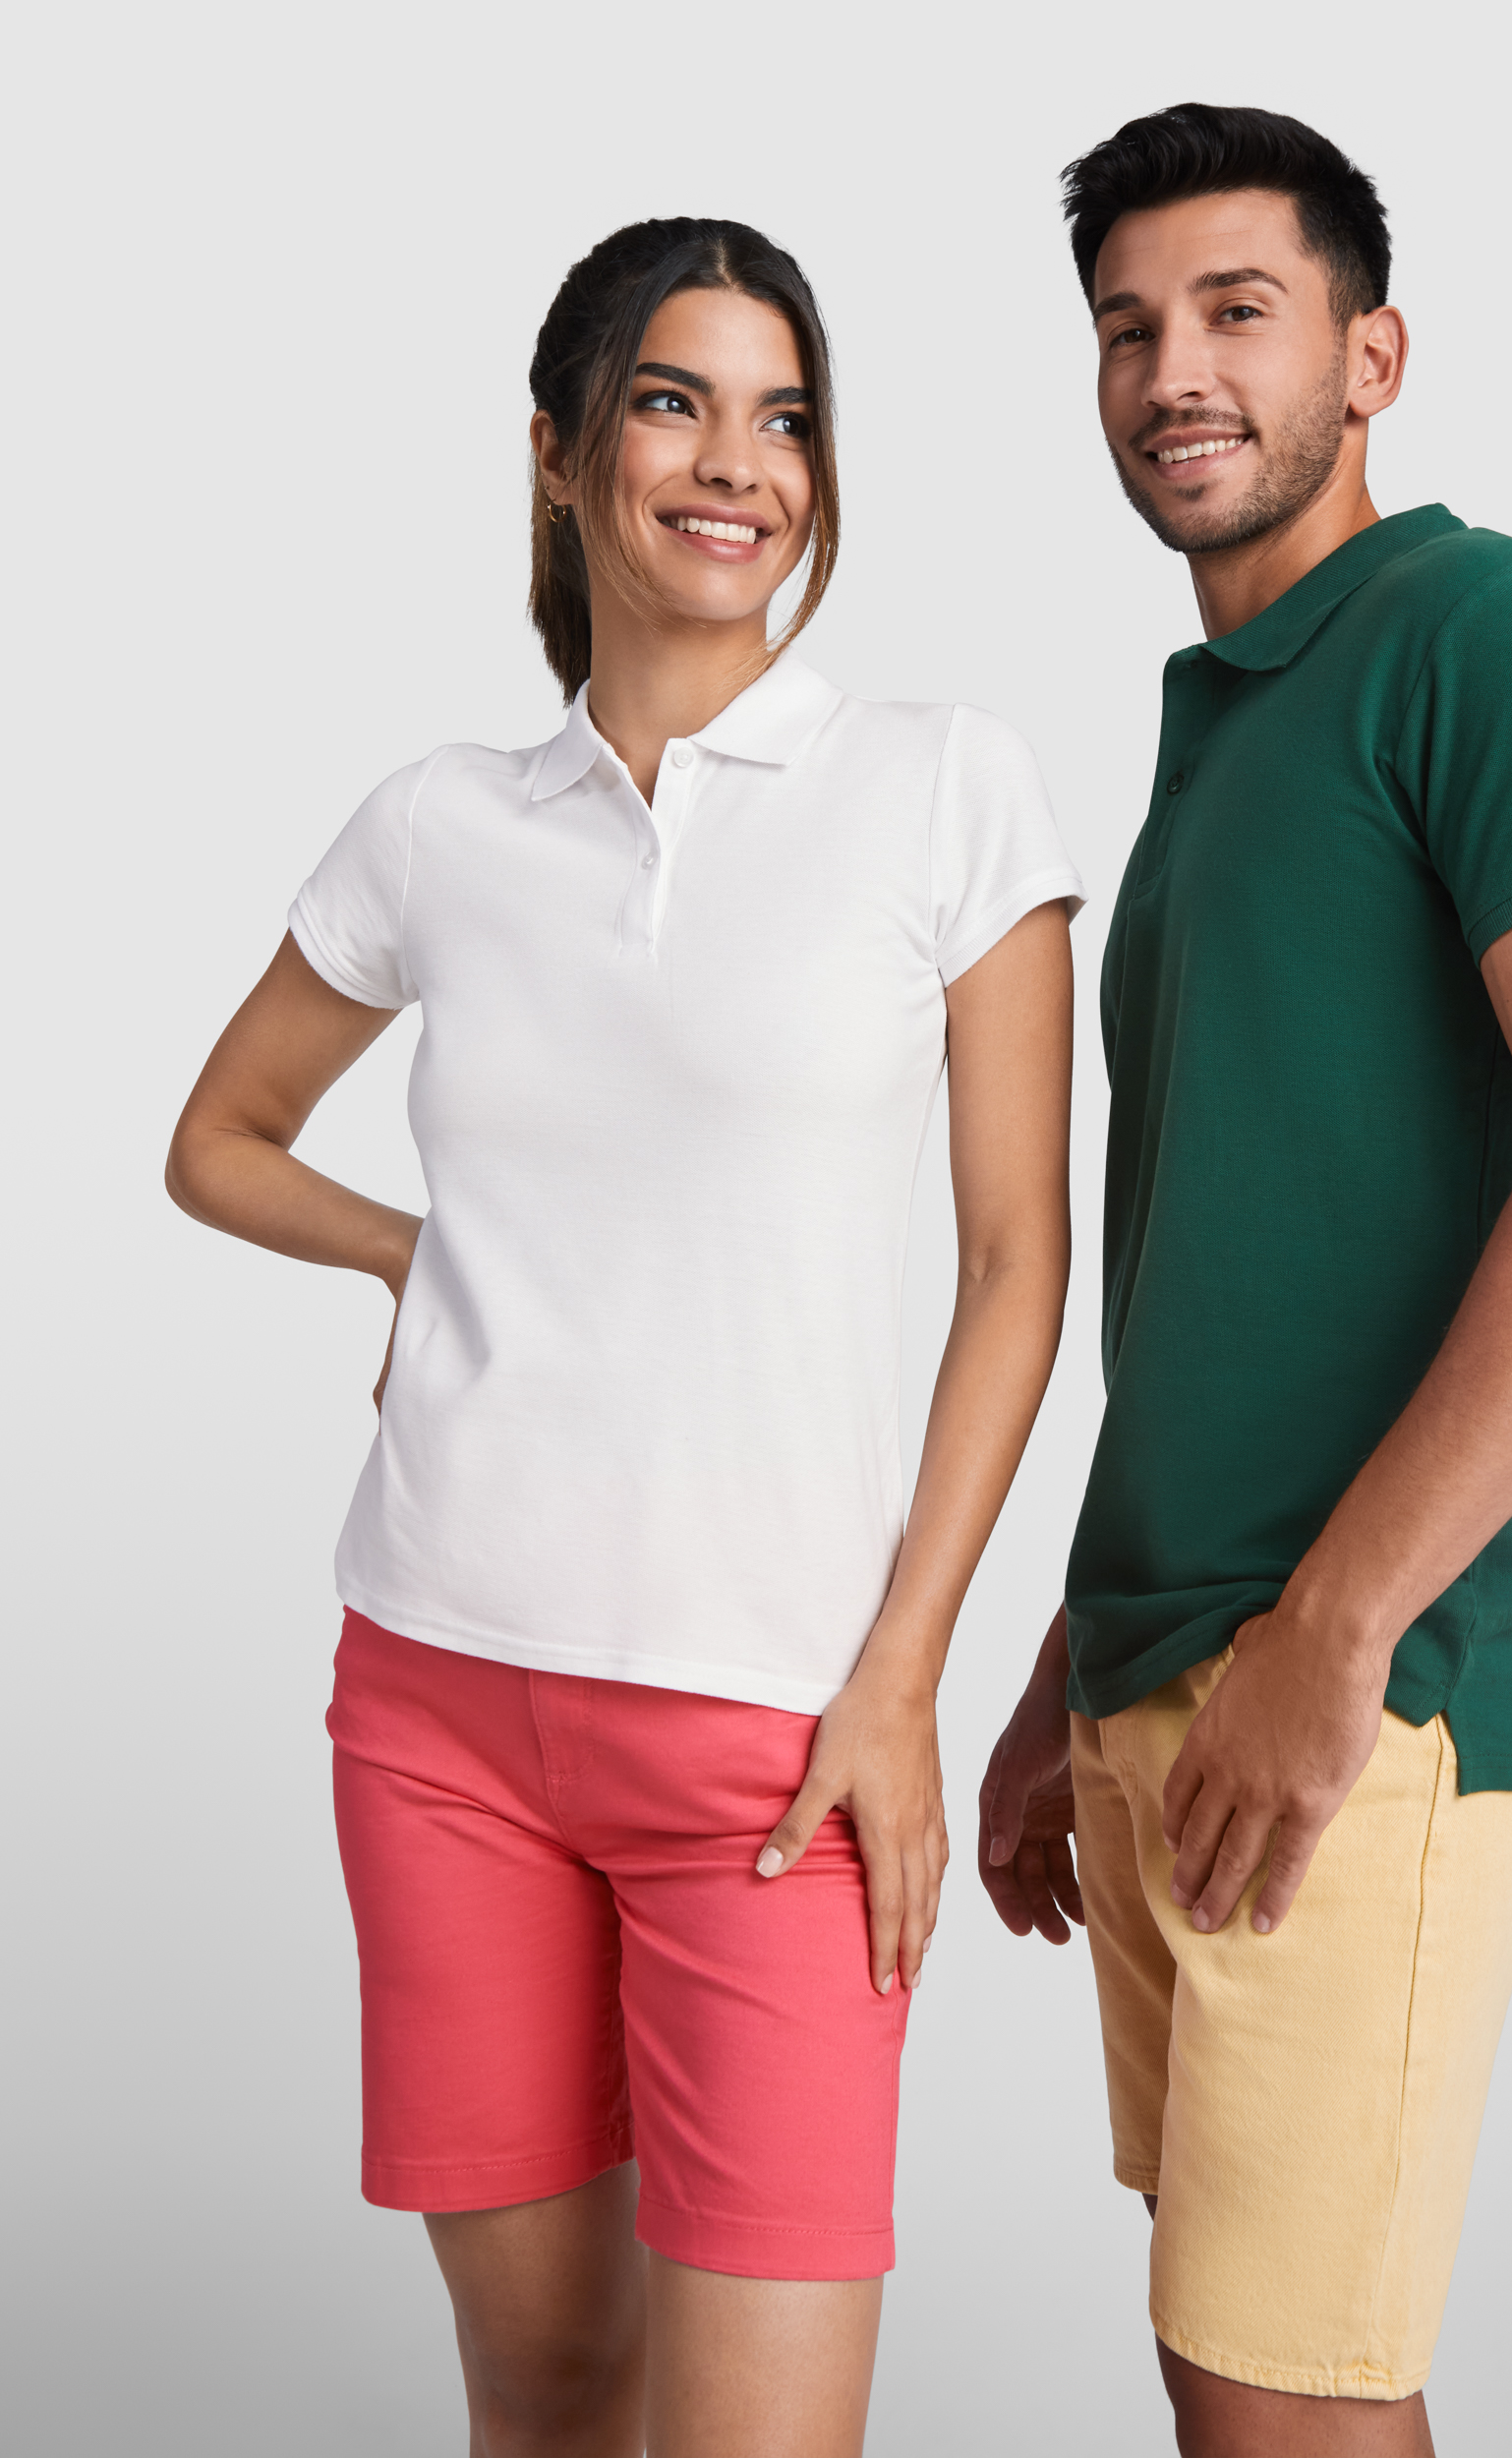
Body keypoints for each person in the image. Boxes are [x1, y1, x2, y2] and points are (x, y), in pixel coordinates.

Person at [167, 215, 1080, 2458]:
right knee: (549, 2386)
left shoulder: (944, 787)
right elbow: (219, 1140)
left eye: (786, 417)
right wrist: (412, 1256)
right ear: (562, 453)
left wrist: (902, 1676)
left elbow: (1016, 1267)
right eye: (675, 402)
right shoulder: (440, 824)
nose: (736, 463)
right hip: (439, 1708)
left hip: (781, 1747)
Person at [979, 104, 1512, 2457]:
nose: (1172, 372)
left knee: (1285, 2388)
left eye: (1237, 311)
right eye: (1127, 329)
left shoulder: (1481, 637)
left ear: (1369, 355)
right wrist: (1075, 1653)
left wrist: (1336, 1629)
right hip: (1181, 1661)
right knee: (1234, 2356)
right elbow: (1229, 1253)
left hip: (1361, 1680)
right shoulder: (1222, 735)